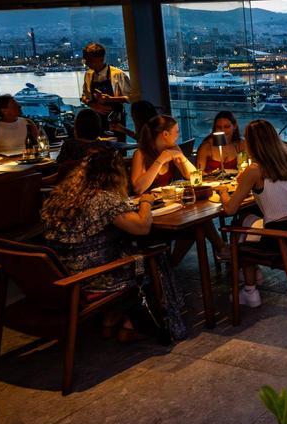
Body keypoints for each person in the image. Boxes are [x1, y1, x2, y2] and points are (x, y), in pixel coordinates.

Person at [41, 147, 186, 342]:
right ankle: (135, 325)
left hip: (65, 272)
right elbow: (142, 227)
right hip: (94, 279)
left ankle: (113, 317)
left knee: (131, 249)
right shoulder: (102, 199)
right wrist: (146, 202)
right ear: (115, 174)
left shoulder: (64, 197)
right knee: (156, 255)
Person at [216, 120, 287, 308]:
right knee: (248, 219)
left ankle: (250, 290)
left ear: (253, 143)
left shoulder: (255, 170)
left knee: (239, 231)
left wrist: (222, 192)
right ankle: (253, 276)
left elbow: (230, 209)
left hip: (278, 239)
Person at [130, 115, 197, 195]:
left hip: (168, 199)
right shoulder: (140, 154)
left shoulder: (173, 148)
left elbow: (194, 178)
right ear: (165, 134)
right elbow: (138, 189)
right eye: (177, 132)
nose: (178, 136)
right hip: (147, 203)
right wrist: (161, 160)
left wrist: (182, 157)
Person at [80, 42, 131, 132]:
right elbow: (84, 96)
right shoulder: (88, 74)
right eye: (85, 60)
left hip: (116, 120)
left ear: (101, 59)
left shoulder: (117, 74)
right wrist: (92, 104)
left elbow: (131, 98)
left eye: (89, 60)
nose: (87, 63)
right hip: (95, 120)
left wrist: (110, 99)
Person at [196, 111, 246, 175]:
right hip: (211, 183)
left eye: (227, 127)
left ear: (234, 126)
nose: (223, 130)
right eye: (219, 127)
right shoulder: (206, 146)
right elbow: (199, 172)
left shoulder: (240, 144)